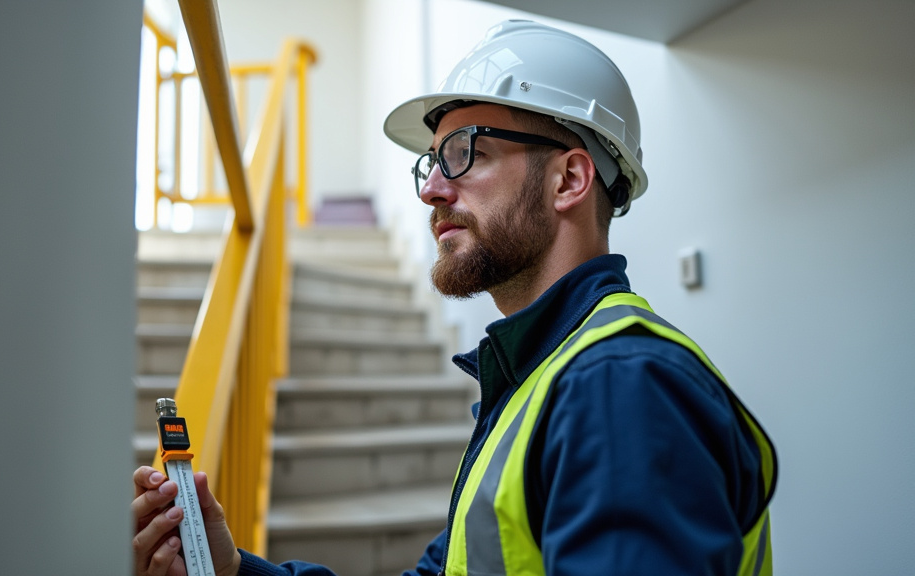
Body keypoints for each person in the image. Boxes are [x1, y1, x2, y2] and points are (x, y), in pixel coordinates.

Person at [132, 20, 778, 576]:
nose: (432, 189)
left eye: (467, 152)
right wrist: (235, 569)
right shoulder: (537, 381)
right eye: (433, 161)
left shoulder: (620, 388)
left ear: (570, 179)